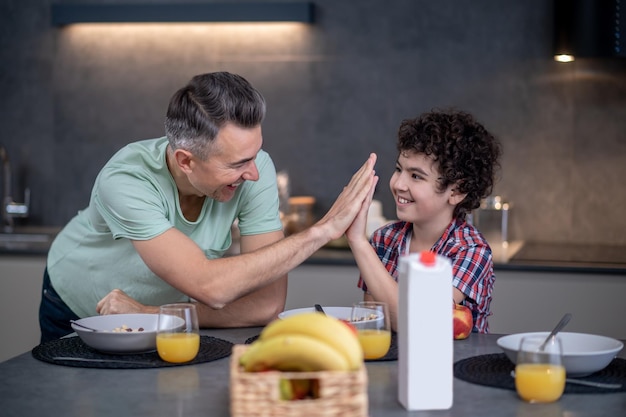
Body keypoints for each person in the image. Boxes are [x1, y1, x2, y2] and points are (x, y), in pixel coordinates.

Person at [39, 71, 378, 343]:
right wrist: (321, 231)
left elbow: (266, 305)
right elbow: (211, 289)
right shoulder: (126, 180)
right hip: (82, 306)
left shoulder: (253, 169)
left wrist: (150, 313)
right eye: (236, 164)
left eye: (255, 154)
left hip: (154, 315)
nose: (254, 173)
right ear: (186, 161)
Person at [346, 109, 502, 333]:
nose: (399, 183)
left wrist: (358, 242)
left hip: (456, 366)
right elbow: (375, 322)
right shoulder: (383, 239)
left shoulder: (471, 251)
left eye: (416, 176)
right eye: (399, 169)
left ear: (457, 191)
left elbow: (419, 322)